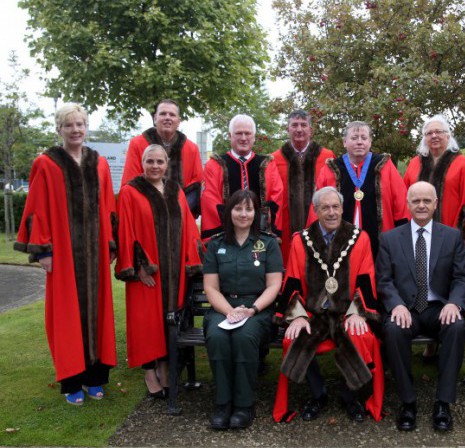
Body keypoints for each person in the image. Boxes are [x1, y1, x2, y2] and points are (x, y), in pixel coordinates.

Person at [14, 103, 117, 405]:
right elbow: (37, 208)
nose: (75, 130)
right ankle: (72, 379)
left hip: (95, 254)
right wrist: (43, 250)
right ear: (59, 128)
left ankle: (95, 375)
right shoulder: (46, 163)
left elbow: (108, 206)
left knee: (98, 313)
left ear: (87, 128)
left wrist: (110, 243)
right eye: (69, 125)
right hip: (63, 254)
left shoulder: (98, 163)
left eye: (80, 124)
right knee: (66, 315)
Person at [274, 186, 384, 423]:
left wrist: (358, 312)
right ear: (316, 211)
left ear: (342, 208)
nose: (332, 212)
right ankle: (318, 394)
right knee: (292, 339)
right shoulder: (301, 241)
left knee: (361, 336)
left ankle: (349, 396)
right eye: (325, 208)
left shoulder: (359, 238)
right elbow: (292, 279)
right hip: (313, 313)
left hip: (345, 313)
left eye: (336, 207)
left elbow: (366, 279)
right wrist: (299, 316)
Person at [376, 181, 465, 431]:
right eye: (416, 200)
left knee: (457, 327)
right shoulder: (389, 238)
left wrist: (454, 303)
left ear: (435, 204)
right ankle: (408, 402)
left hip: (438, 306)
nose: (421, 205)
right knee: (393, 330)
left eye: (426, 201)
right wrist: (395, 305)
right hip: (405, 308)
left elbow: (462, 278)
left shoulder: (451, 236)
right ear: (407, 204)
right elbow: (383, 280)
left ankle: (443, 403)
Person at [115, 144, 203, 399]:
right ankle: (149, 371)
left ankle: (165, 366)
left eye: (159, 162)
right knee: (146, 323)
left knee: (169, 318)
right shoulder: (130, 192)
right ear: (142, 163)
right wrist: (138, 267)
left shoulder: (175, 190)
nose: (155, 166)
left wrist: (191, 260)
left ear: (167, 164)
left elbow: (188, 227)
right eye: (150, 161)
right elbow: (126, 232)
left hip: (174, 271)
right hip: (148, 272)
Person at [203, 189, 283, 429]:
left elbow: (274, 285)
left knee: (243, 336)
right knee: (217, 337)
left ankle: (244, 405)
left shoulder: (268, 243)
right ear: (229, 212)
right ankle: (223, 404)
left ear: (256, 213)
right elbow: (211, 287)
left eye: (249, 209)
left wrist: (252, 310)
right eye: (238, 208)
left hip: (257, 309)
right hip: (223, 307)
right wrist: (229, 311)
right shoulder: (216, 244)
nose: (243, 214)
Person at [312, 121, 408, 259]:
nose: (359, 142)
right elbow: (317, 205)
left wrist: (403, 232)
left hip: (380, 239)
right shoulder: (331, 168)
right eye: (354, 138)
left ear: (370, 142)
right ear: (345, 142)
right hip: (337, 238)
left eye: (364, 138)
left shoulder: (384, 165)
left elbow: (400, 200)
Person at [201, 114, 284, 240]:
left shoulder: (267, 165)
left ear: (254, 137)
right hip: (227, 237)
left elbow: (276, 197)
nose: (243, 138)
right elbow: (210, 201)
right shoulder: (215, 165)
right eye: (239, 133)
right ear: (230, 136)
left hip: (260, 236)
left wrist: (264, 230)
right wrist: (225, 233)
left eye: (248, 133)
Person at [403, 115, 465, 252]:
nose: (434, 136)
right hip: (417, 233)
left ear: (448, 136)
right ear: (424, 138)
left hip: (451, 234)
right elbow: (405, 198)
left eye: (439, 132)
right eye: (429, 133)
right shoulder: (414, 163)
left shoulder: (462, 163)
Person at [271, 110, 336, 263]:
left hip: (320, 224)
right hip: (286, 226)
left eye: (303, 125)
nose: (299, 129)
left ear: (310, 130)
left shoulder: (327, 157)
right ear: (288, 129)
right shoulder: (274, 159)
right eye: (294, 125)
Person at [121, 99, 203, 216]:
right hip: (145, 215)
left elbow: (196, 187)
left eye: (172, 115)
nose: (167, 118)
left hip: (181, 216)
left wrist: (177, 210)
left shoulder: (191, 148)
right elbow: (130, 182)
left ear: (178, 121)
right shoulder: (137, 144)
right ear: (155, 118)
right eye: (163, 113)